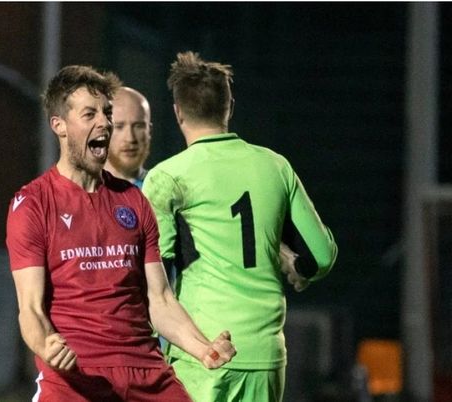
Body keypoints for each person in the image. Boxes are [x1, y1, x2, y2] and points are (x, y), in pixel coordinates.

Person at [5, 65, 236, 402]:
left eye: (107, 113)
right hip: (77, 377)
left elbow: (160, 299)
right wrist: (45, 344)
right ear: (59, 125)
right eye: (89, 114)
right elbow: (30, 308)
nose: (104, 123)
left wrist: (203, 349)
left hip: (146, 372)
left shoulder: (133, 200)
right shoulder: (33, 204)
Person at [141, 51, 338, 402]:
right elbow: (321, 256)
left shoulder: (168, 176)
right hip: (265, 354)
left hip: (202, 351)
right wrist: (296, 264)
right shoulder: (275, 166)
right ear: (229, 107)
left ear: (178, 112)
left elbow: (156, 273)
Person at [104, 86, 152, 188]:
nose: (130, 138)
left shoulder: (165, 189)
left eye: (138, 126)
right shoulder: (82, 190)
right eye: (119, 127)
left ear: (149, 131)